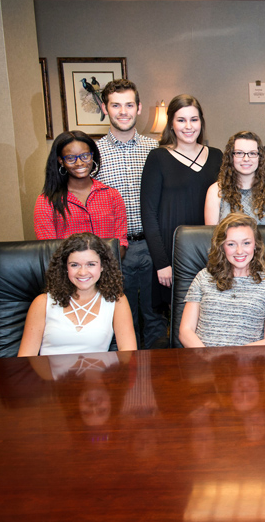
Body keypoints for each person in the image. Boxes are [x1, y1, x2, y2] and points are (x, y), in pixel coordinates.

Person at [96, 78, 166, 349]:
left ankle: (159, 381)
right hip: (113, 249)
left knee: (156, 316)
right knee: (119, 319)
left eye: (128, 105)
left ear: (138, 108)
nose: (123, 111)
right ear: (105, 108)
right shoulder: (95, 154)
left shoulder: (156, 150)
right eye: (115, 105)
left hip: (151, 246)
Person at [141, 94, 220, 307]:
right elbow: (148, 214)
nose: (188, 126)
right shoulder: (157, 158)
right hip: (172, 251)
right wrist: (161, 262)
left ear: (201, 122)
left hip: (209, 250)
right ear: (171, 124)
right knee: (177, 314)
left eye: (194, 119)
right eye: (181, 120)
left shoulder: (217, 156)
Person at [179, 213, 265, 347]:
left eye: (246, 243)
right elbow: (185, 331)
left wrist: (234, 359)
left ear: (256, 245)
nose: (239, 251)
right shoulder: (204, 277)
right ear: (221, 246)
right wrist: (206, 358)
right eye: (231, 244)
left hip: (247, 363)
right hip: (203, 361)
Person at [18, 232, 137, 356]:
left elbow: (128, 356)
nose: (82, 272)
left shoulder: (116, 301)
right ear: (65, 267)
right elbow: (25, 360)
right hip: (50, 375)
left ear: (102, 266)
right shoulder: (42, 302)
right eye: (74, 265)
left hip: (99, 375)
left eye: (91, 264)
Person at [34, 131, 128, 258]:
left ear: (92, 156)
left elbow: (120, 244)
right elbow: (48, 250)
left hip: (107, 272)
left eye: (85, 156)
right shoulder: (47, 201)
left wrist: (99, 268)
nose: (79, 163)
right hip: (67, 275)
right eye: (71, 158)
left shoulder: (112, 196)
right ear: (61, 161)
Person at [204, 130, 265, 225]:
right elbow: (211, 236)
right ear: (231, 157)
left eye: (252, 153)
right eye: (239, 153)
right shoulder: (216, 191)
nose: (246, 159)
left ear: (260, 158)